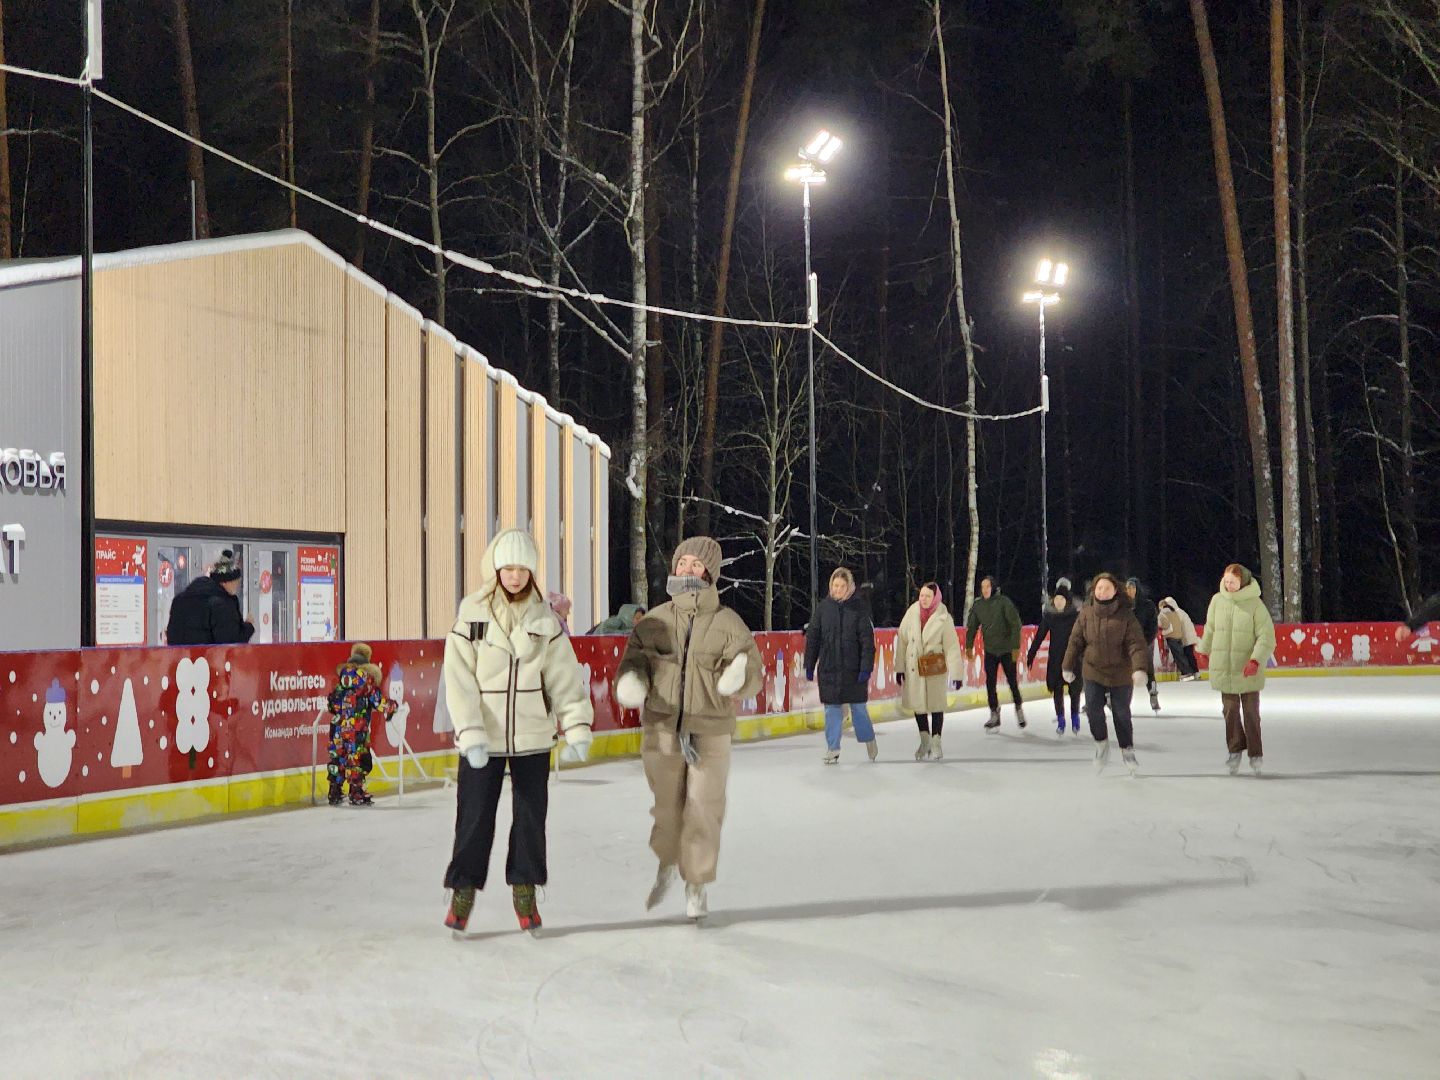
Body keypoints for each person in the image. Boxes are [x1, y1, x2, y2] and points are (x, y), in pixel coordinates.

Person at [441, 528, 594, 934]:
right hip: (483, 737)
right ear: (495, 568)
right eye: (507, 567)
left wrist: (576, 723)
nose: (514, 576)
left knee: (530, 817)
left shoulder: (546, 621)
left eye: (522, 568)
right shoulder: (470, 617)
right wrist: (470, 732)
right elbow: (458, 681)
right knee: (473, 818)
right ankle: (463, 890)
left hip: (532, 735)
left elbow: (563, 677)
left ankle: (524, 888)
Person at [616, 537, 762, 921]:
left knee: (703, 808)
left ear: (710, 572)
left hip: (710, 730)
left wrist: (738, 676)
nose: (689, 569)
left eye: (698, 564)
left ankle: (695, 881)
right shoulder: (654, 621)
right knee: (668, 807)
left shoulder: (729, 623)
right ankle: (668, 859)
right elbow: (635, 660)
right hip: (662, 728)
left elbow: (755, 674)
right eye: (684, 562)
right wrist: (633, 679)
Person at [1061, 572, 1149, 776]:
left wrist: (1139, 669)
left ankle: (1127, 749)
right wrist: (1067, 666)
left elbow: (1136, 644)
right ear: (1094, 591)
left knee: (1121, 713)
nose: (1102, 592)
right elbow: (1075, 641)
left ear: (1115, 590)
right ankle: (1101, 745)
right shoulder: (1085, 614)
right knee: (1093, 710)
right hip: (1093, 670)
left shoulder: (1126, 616)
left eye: (1106, 588)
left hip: (1120, 673)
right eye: (1099, 588)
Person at [1194, 564, 1276, 776]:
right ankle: (1235, 750)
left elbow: (1266, 637)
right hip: (1224, 667)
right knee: (1229, 711)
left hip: (1247, 667)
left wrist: (1256, 661)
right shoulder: (1217, 601)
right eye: (1226, 580)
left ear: (1243, 583)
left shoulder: (1255, 605)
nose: (1228, 585)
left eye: (1233, 582)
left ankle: (1255, 754)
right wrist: (1204, 648)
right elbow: (1210, 628)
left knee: (1250, 713)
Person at [804, 567, 878, 764]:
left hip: (853, 670)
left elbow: (867, 642)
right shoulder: (823, 608)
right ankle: (833, 748)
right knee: (831, 710)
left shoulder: (858, 608)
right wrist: (809, 664)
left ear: (849, 587)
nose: (837, 589)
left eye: (842, 586)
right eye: (835, 585)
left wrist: (865, 668)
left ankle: (868, 738)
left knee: (859, 710)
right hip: (829, 668)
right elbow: (813, 638)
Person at [894, 582, 964, 761]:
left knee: (936, 704)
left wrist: (956, 674)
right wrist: (899, 668)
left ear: (935, 598)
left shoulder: (944, 617)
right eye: (921, 596)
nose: (923, 599)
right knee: (918, 705)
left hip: (934, 667)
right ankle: (924, 740)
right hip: (914, 667)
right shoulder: (912, 613)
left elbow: (952, 647)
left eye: (927, 596)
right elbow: (902, 640)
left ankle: (936, 741)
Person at [325, 642, 394, 806]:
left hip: (338, 729)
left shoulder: (342, 682)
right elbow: (378, 701)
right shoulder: (366, 681)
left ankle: (334, 790)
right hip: (356, 731)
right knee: (359, 760)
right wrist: (392, 707)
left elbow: (332, 704)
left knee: (339, 759)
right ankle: (356, 792)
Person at [965, 576, 1025, 731]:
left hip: (1006, 650)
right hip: (991, 650)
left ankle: (1018, 708)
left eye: (988, 586)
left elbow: (1015, 624)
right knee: (990, 683)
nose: (985, 589)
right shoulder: (978, 605)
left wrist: (1015, 647)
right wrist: (968, 646)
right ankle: (994, 712)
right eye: (983, 587)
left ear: (993, 587)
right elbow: (972, 626)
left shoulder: (1003, 602)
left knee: (1012, 681)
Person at [165, 550, 255, 645]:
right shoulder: (222, 604)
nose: (237, 585)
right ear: (224, 581)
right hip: (210, 658)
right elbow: (230, 642)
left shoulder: (180, 600)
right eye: (236, 581)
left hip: (182, 658)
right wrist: (248, 626)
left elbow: (173, 635)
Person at [1027, 581, 1082, 736]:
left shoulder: (1075, 617)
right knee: (1057, 690)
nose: (1058, 602)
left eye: (1062, 599)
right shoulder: (1050, 617)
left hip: (1073, 660)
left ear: (1067, 601)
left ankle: (1075, 717)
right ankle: (1061, 719)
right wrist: (1031, 654)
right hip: (1056, 659)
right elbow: (1039, 636)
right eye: (1056, 599)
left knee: (1074, 690)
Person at [1126, 578, 1162, 712]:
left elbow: (1153, 626)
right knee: (1125, 673)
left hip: (1144, 644)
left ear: (1137, 589)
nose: (1130, 591)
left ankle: (1153, 696)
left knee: (1148, 671)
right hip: (1127, 646)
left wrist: (1146, 642)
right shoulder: (1123, 606)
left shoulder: (1147, 605)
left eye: (1132, 588)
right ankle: (1124, 702)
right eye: (1128, 588)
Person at [1158, 596, 1201, 680]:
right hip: (1188, 635)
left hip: (1184, 636)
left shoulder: (1176, 613)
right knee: (1189, 655)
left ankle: (1191, 672)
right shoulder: (1179, 611)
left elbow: (1175, 626)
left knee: (1186, 655)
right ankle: (1195, 672)